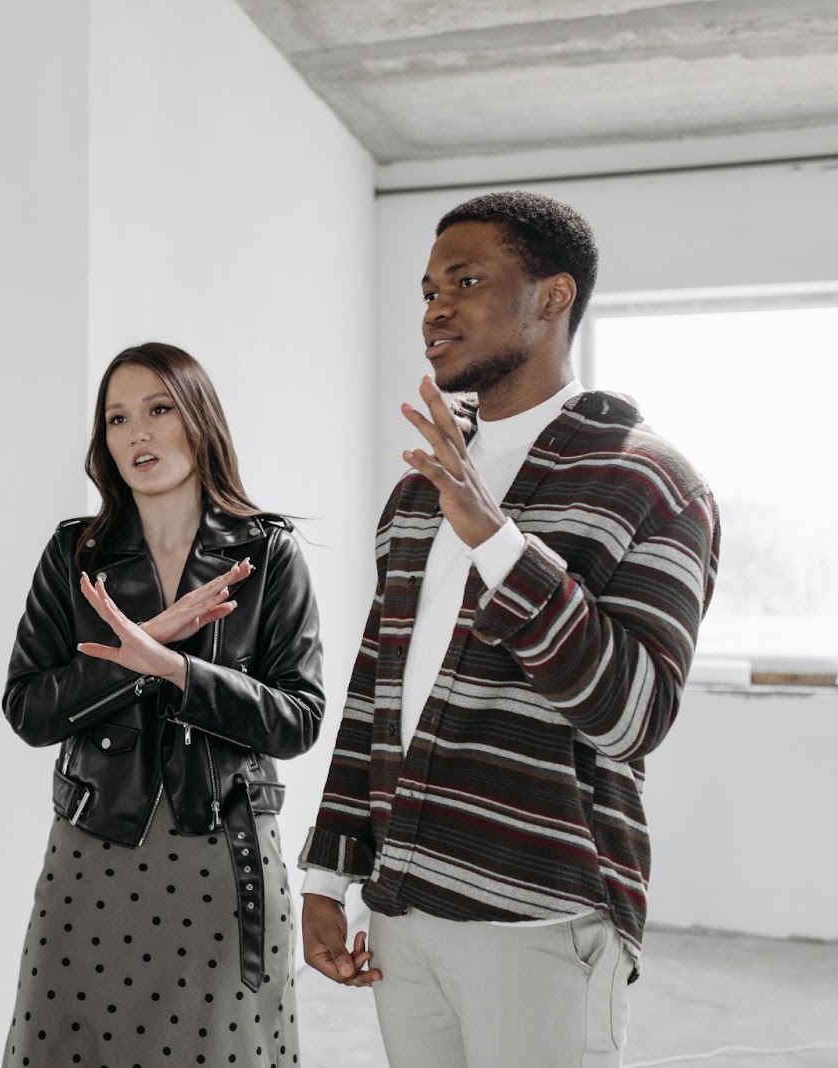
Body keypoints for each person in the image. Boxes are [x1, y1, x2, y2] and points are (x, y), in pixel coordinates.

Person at [297, 191, 720, 1067]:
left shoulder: (652, 484)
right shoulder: (419, 489)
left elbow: (632, 716)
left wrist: (499, 542)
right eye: (427, 291)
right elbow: (376, 689)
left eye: (466, 281)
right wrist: (329, 873)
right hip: (402, 911)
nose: (435, 309)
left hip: (541, 917)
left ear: (554, 297)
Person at [0, 342, 327, 1067]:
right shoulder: (74, 554)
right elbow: (28, 710)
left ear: (199, 419)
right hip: (91, 850)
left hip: (223, 856)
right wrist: (148, 640)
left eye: (158, 409)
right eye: (117, 419)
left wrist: (176, 669)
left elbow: (299, 718)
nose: (136, 433)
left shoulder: (269, 552)